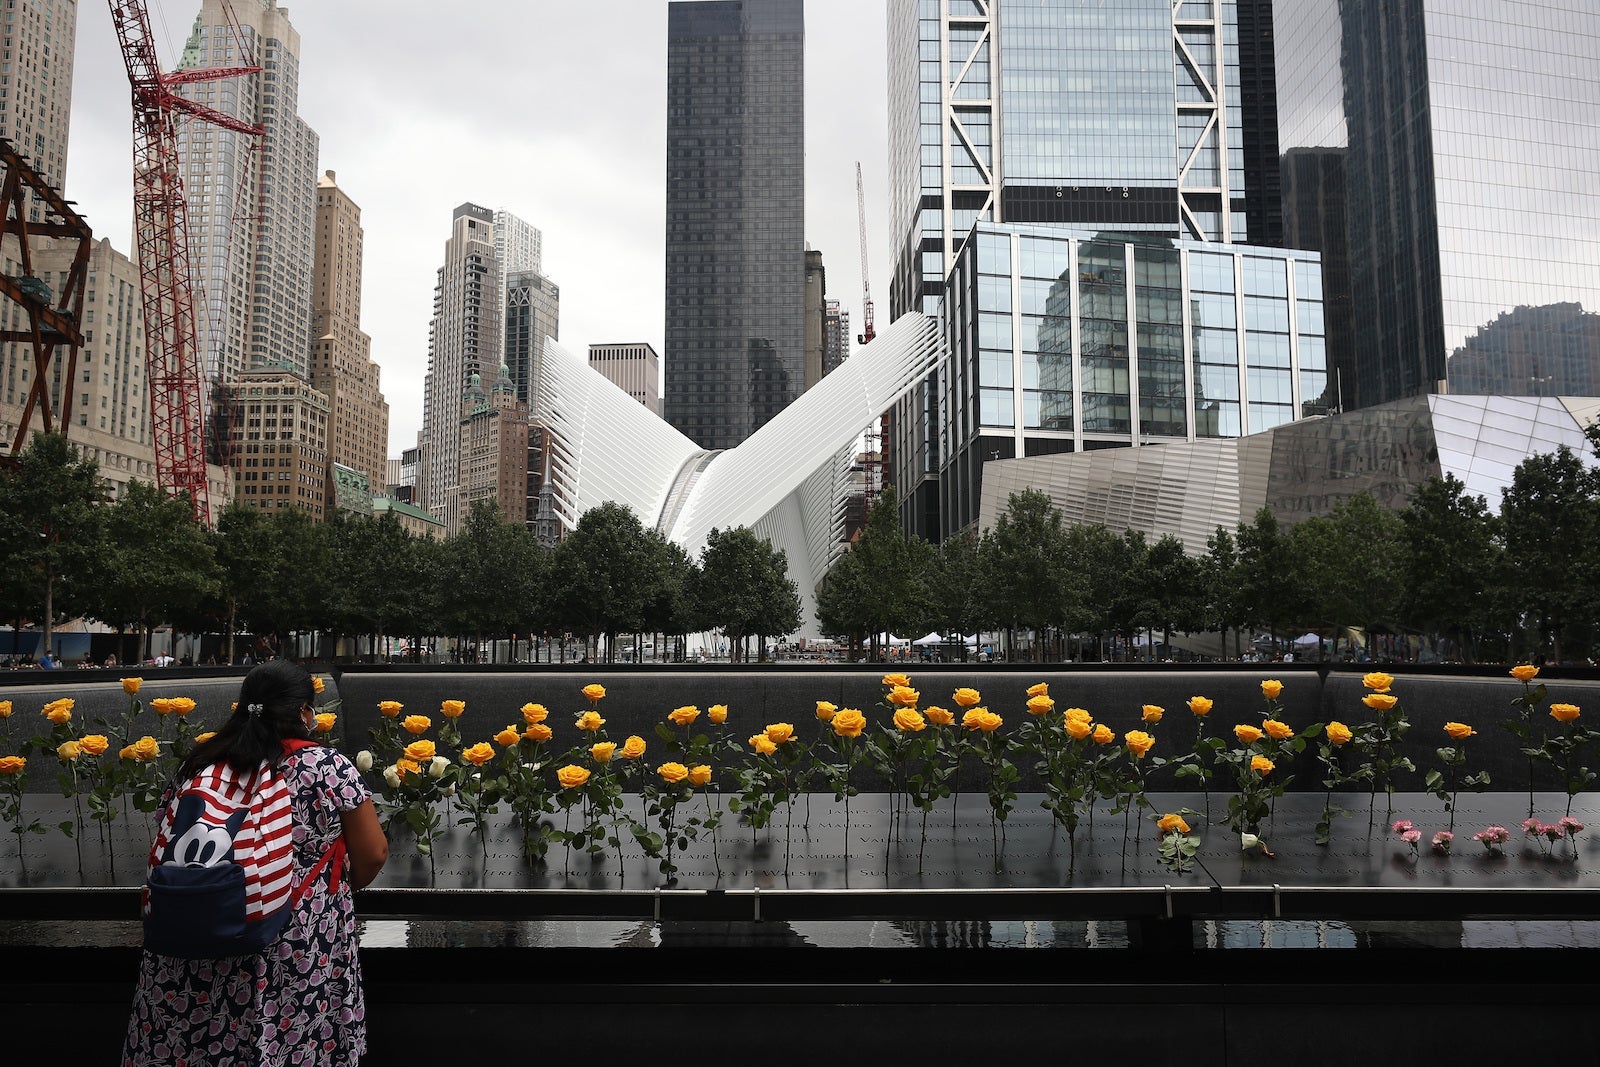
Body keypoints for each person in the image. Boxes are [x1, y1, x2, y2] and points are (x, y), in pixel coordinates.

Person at [123, 659, 388, 1066]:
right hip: (297, 938)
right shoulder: (327, 768)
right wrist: (332, 893)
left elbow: (168, 830)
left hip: (194, 924)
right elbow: (373, 853)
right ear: (304, 712)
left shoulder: (202, 761)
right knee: (292, 1045)